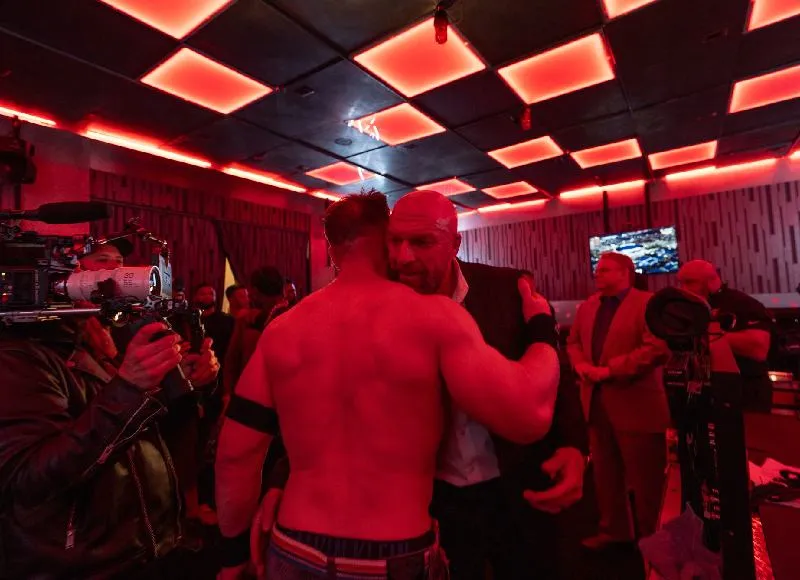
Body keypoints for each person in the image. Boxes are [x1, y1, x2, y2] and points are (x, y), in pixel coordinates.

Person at [215, 192, 561, 579]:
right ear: (386, 241)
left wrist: (233, 556)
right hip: (393, 553)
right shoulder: (434, 318)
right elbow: (529, 417)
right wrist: (541, 329)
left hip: (294, 544)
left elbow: (235, 455)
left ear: (332, 251)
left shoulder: (281, 331)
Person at [387, 191, 588, 580]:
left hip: (516, 481)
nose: (403, 257)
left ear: (454, 244)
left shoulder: (507, 288)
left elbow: (554, 367)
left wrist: (574, 445)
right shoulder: (383, 300)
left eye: (421, 242)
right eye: (395, 241)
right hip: (431, 496)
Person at [0, 311, 219, 578]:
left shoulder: (86, 336)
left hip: (136, 548)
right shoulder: (15, 355)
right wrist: (129, 388)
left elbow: (129, 432)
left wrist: (182, 384)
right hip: (82, 566)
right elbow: (29, 479)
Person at [567, 252, 670, 550]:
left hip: (637, 406)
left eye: (605, 270)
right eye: (597, 270)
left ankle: (654, 543)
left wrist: (609, 371)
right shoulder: (588, 306)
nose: (597, 274)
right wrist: (581, 365)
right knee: (605, 476)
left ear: (626, 273)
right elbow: (573, 342)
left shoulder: (649, 304)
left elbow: (656, 349)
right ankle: (614, 531)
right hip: (596, 404)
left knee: (646, 481)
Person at [677, 259, 773, 412]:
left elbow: (758, 348)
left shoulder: (742, 303)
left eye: (689, 282)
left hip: (745, 390)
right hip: (706, 391)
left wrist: (705, 335)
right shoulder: (688, 309)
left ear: (711, 281)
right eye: (681, 283)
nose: (683, 289)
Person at [223, 267, 286, 398]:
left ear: (255, 291)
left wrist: (229, 393)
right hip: (279, 392)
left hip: (255, 392)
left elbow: (232, 360)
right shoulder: (296, 314)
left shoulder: (248, 321)